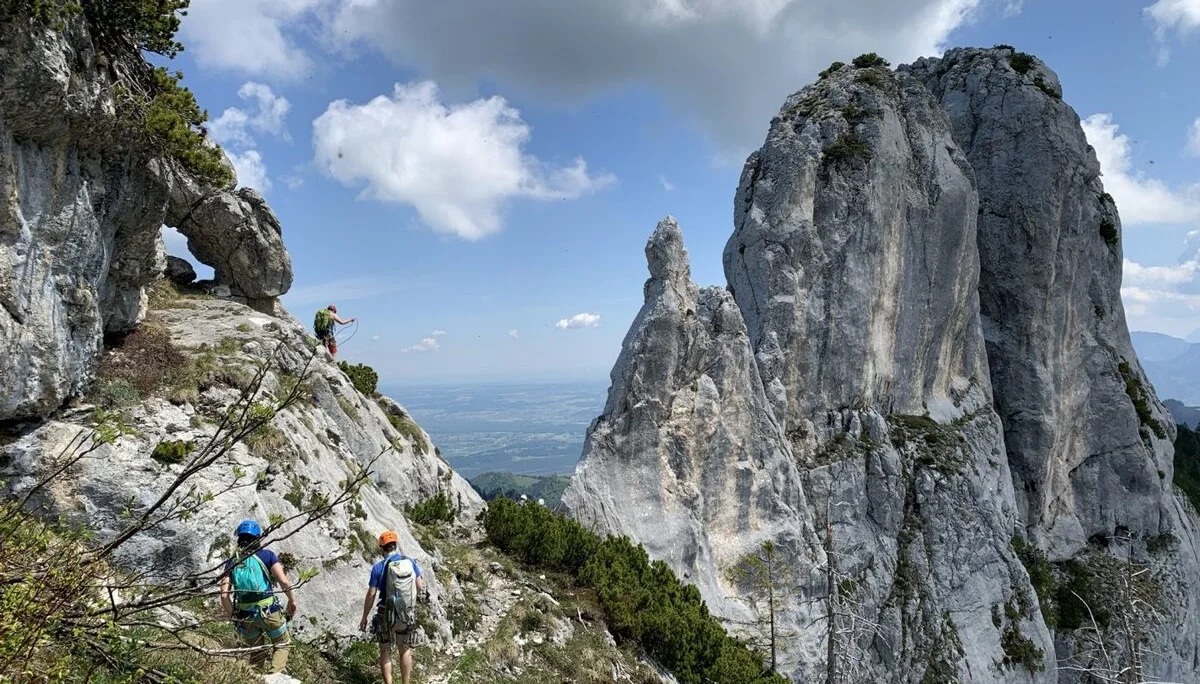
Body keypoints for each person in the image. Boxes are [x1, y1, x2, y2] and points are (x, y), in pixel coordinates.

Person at [219, 520, 297, 674]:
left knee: (256, 652)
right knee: (282, 643)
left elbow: (223, 595)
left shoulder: (232, 562)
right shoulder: (267, 555)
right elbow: (283, 580)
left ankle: (254, 677)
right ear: (258, 537)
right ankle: (274, 677)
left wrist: (233, 617)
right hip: (269, 612)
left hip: (246, 616)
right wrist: (292, 600)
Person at [359, 530, 427, 684]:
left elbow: (371, 594)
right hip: (405, 614)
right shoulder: (409, 562)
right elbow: (420, 586)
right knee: (404, 649)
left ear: (382, 548)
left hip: (385, 614)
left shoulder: (378, 568)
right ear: (395, 545)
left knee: (385, 650)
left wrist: (364, 617)